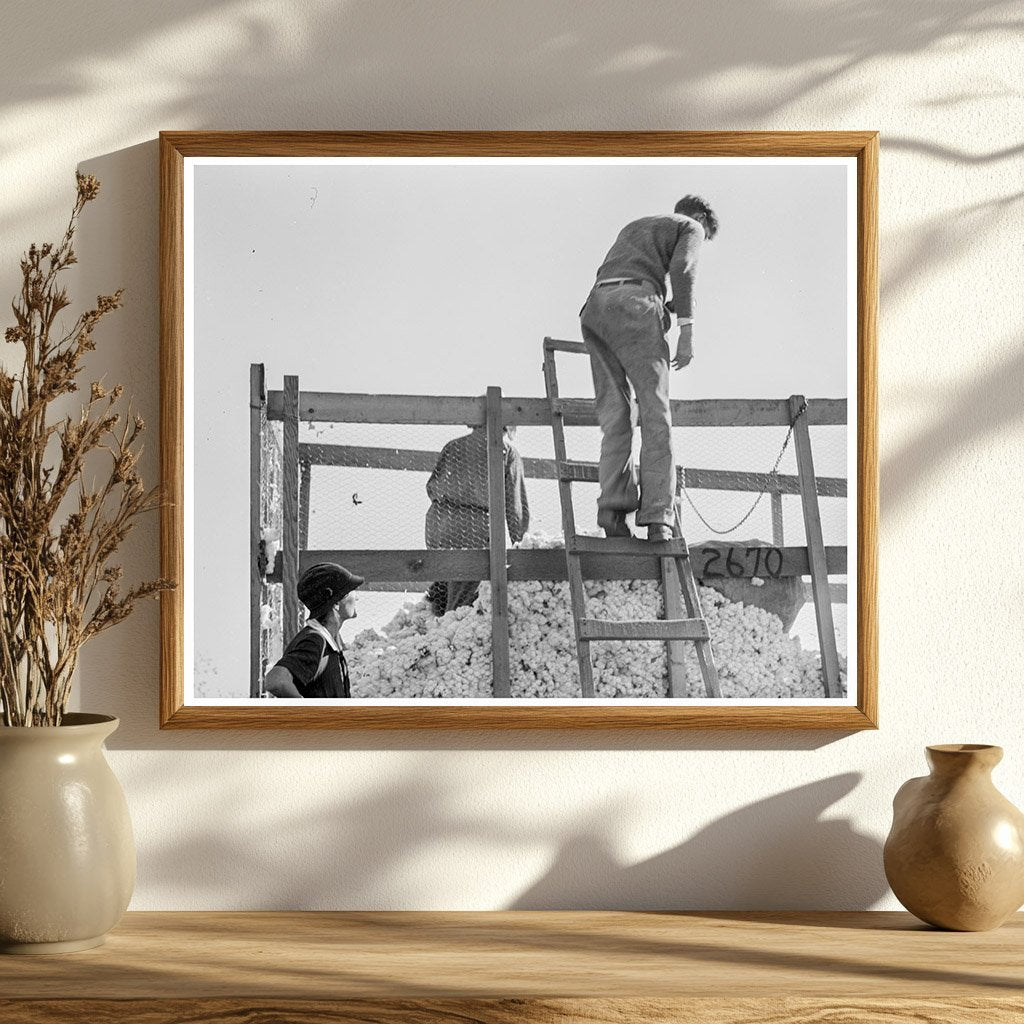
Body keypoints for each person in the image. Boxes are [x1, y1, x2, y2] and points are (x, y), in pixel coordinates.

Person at [580, 195, 718, 542]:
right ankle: (658, 516)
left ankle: (612, 512)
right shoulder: (691, 226)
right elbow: (683, 269)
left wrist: (665, 305)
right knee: (656, 414)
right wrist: (687, 331)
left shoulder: (638, 226)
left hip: (596, 307)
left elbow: (631, 273)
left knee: (617, 416)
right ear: (700, 216)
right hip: (637, 304)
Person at [425, 424, 530, 615]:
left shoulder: (453, 446)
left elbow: (432, 486)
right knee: (461, 603)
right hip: (474, 529)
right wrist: (522, 547)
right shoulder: (506, 451)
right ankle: (452, 640)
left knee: (443, 591)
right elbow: (515, 505)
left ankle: (434, 635)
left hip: (439, 525)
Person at [263, 562, 364, 698]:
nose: (356, 597)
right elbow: (276, 681)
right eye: (351, 591)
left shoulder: (328, 643)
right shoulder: (315, 641)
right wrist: (307, 714)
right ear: (335, 602)